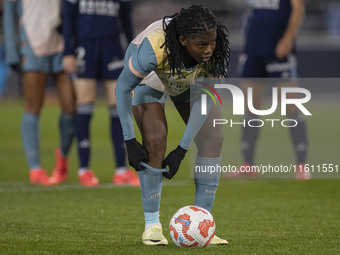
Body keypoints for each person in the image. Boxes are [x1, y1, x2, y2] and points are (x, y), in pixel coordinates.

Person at [116, 4, 230, 246]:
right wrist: (129, 140)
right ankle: (152, 226)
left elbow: (204, 102)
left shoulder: (214, 50)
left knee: (213, 137)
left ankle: (203, 223)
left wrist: (182, 149)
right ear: (183, 40)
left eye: (212, 42)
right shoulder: (153, 48)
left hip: (187, 77)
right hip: (154, 74)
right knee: (155, 137)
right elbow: (122, 88)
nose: (209, 49)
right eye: (201, 44)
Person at [62, 0, 139, 186]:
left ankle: (121, 170)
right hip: (84, 45)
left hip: (112, 46)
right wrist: (68, 52)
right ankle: (84, 170)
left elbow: (126, 20)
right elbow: (68, 19)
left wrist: (134, 53)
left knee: (118, 104)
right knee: (85, 103)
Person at [230, 0, 310, 180]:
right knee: (250, 108)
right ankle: (248, 164)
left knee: (291, 107)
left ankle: (301, 165)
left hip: (278, 49)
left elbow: (298, 8)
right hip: (252, 49)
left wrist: (288, 37)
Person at [3, 0, 76, 185]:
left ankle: (63, 158)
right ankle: (35, 168)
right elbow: (9, 13)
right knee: (33, 106)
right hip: (32, 43)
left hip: (60, 44)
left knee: (71, 106)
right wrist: (12, 50)